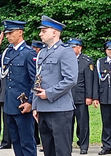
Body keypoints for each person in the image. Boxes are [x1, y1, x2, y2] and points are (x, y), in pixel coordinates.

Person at [0, 20, 37, 156]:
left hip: (23, 104)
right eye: (7, 33)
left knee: (26, 141)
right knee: (15, 140)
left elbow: (36, 80)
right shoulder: (7, 52)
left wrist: (31, 102)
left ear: (20, 32)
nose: (8, 36)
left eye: (11, 33)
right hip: (10, 103)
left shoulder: (29, 53)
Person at [32, 15, 78, 156]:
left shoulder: (65, 51)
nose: (40, 34)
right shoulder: (43, 52)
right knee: (48, 150)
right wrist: (35, 105)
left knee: (62, 150)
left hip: (60, 109)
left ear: (54, 32)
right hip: (43, 108)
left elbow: (71, 79)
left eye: (43, 31)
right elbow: (38, 79)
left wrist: (49, 93)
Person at [67, 38, 93, 154]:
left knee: (83, 124)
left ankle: (83, 146)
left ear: (79, 48)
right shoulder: (66, 60)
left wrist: (89, 96)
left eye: (73, 47)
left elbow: (89, 81)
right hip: (67, 97)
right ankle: (68, 145)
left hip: (81, 97)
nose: (71, 49)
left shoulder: (86, 61)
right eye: (70, 47)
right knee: (68, 124)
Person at [93, 40, 111, 155]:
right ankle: (107, 145)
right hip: (105, 97)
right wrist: (95, 97)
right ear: (106, 50)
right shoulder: (100, 62)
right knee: (106, 123)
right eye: (109, 49)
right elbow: (96, 81)